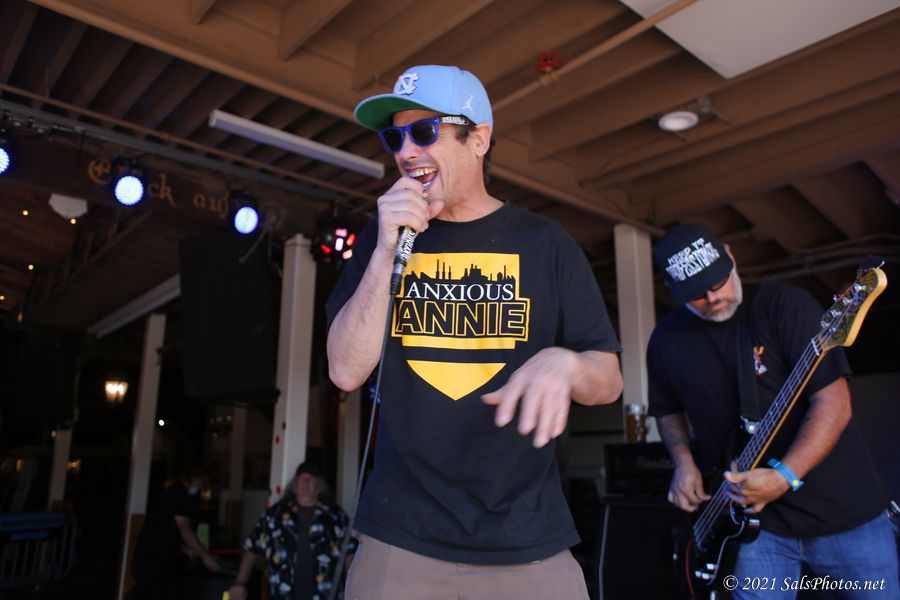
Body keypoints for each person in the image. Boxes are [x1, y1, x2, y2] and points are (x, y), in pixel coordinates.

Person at [326, 65, 623, 599]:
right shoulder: (381, 240)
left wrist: (569, 364)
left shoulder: (546, 244)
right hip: (402, 536)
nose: (406, 152)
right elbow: (345, 371)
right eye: (395, 137)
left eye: (424, 132)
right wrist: (386, 250)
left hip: (526, 538)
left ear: (479, 138)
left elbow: (609, 381)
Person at [647, 223, 899, 599]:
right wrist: (683, 463)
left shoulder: (783, 305)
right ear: (673, 289)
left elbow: (834, 404)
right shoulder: (666, 341)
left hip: (845, 513)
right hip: (753, 528)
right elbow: (667, 410)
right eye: (697, 294)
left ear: (730, 257)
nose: (713, 297)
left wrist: (785, 477)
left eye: (718, 282)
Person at [227, 462, 356, 600]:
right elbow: (252, 548)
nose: (305, 482)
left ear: (319, 485)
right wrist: (240, 583)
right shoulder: (275, 515)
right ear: (295, 483)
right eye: (302, 478)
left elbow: (350, 553)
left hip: (326, 595)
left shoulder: (336, 516)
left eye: (311, 479)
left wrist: (353, 591)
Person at [129, 467, 220, 600]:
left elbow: (166, 531)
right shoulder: (179, 495)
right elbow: (185, 531)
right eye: (201, 483)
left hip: (151, 558)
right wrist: (206, 557)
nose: (201, 488)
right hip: (153, 561)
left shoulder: (172, 492)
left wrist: (186, 550)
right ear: (192, 478)